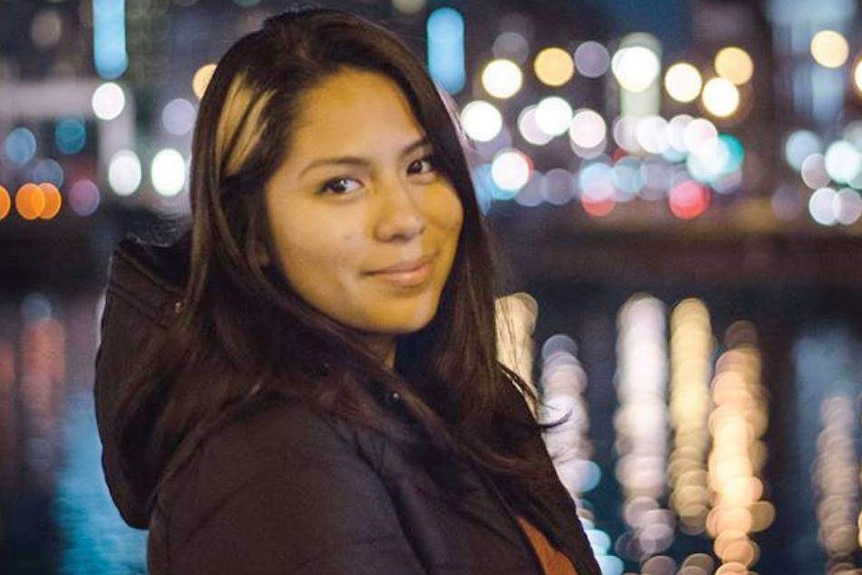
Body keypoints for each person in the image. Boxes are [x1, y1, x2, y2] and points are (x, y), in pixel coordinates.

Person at [94, 7, 601, 575]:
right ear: (251, 229)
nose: (405, 219)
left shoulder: (443, 401)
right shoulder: (270, 467)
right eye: (342, 184)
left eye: (422, 165)